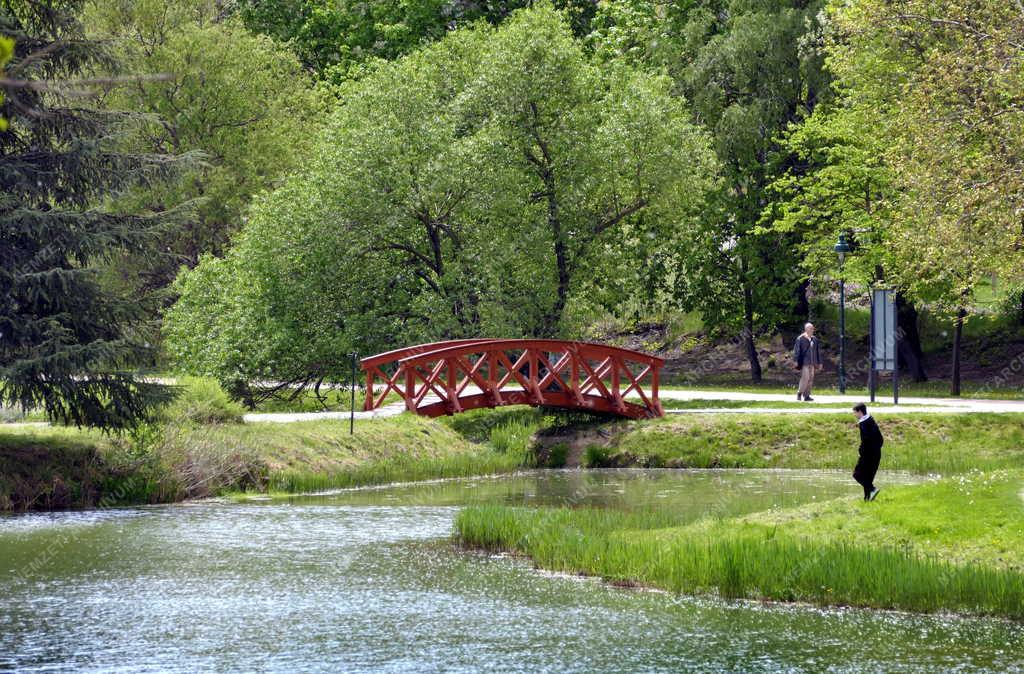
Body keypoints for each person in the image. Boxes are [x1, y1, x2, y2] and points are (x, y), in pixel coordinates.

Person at [852, 403, 883, 501]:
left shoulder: (864, 424)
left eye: (855, 413)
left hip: (867, 455)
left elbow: (865, 440)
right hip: (877, 453)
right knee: (868, 476)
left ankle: (872, 489)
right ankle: (867, 498)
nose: (854, 415)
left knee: (857, 474)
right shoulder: (871, 420)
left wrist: (861, 451)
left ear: (860, 412)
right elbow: (880, 439)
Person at [792, 322, 822, 401]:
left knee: (811, 379)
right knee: (805, 378)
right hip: (804, 362)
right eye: (810, 328)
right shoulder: (800, 338)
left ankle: (807, 395)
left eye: (812, 328)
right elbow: (796, 350)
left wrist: (820, 362)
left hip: (812, 363)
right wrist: (795, 360)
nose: (812, 330)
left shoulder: (814, 339)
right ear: (806, 329)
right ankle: (799, 393)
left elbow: (818, 351)